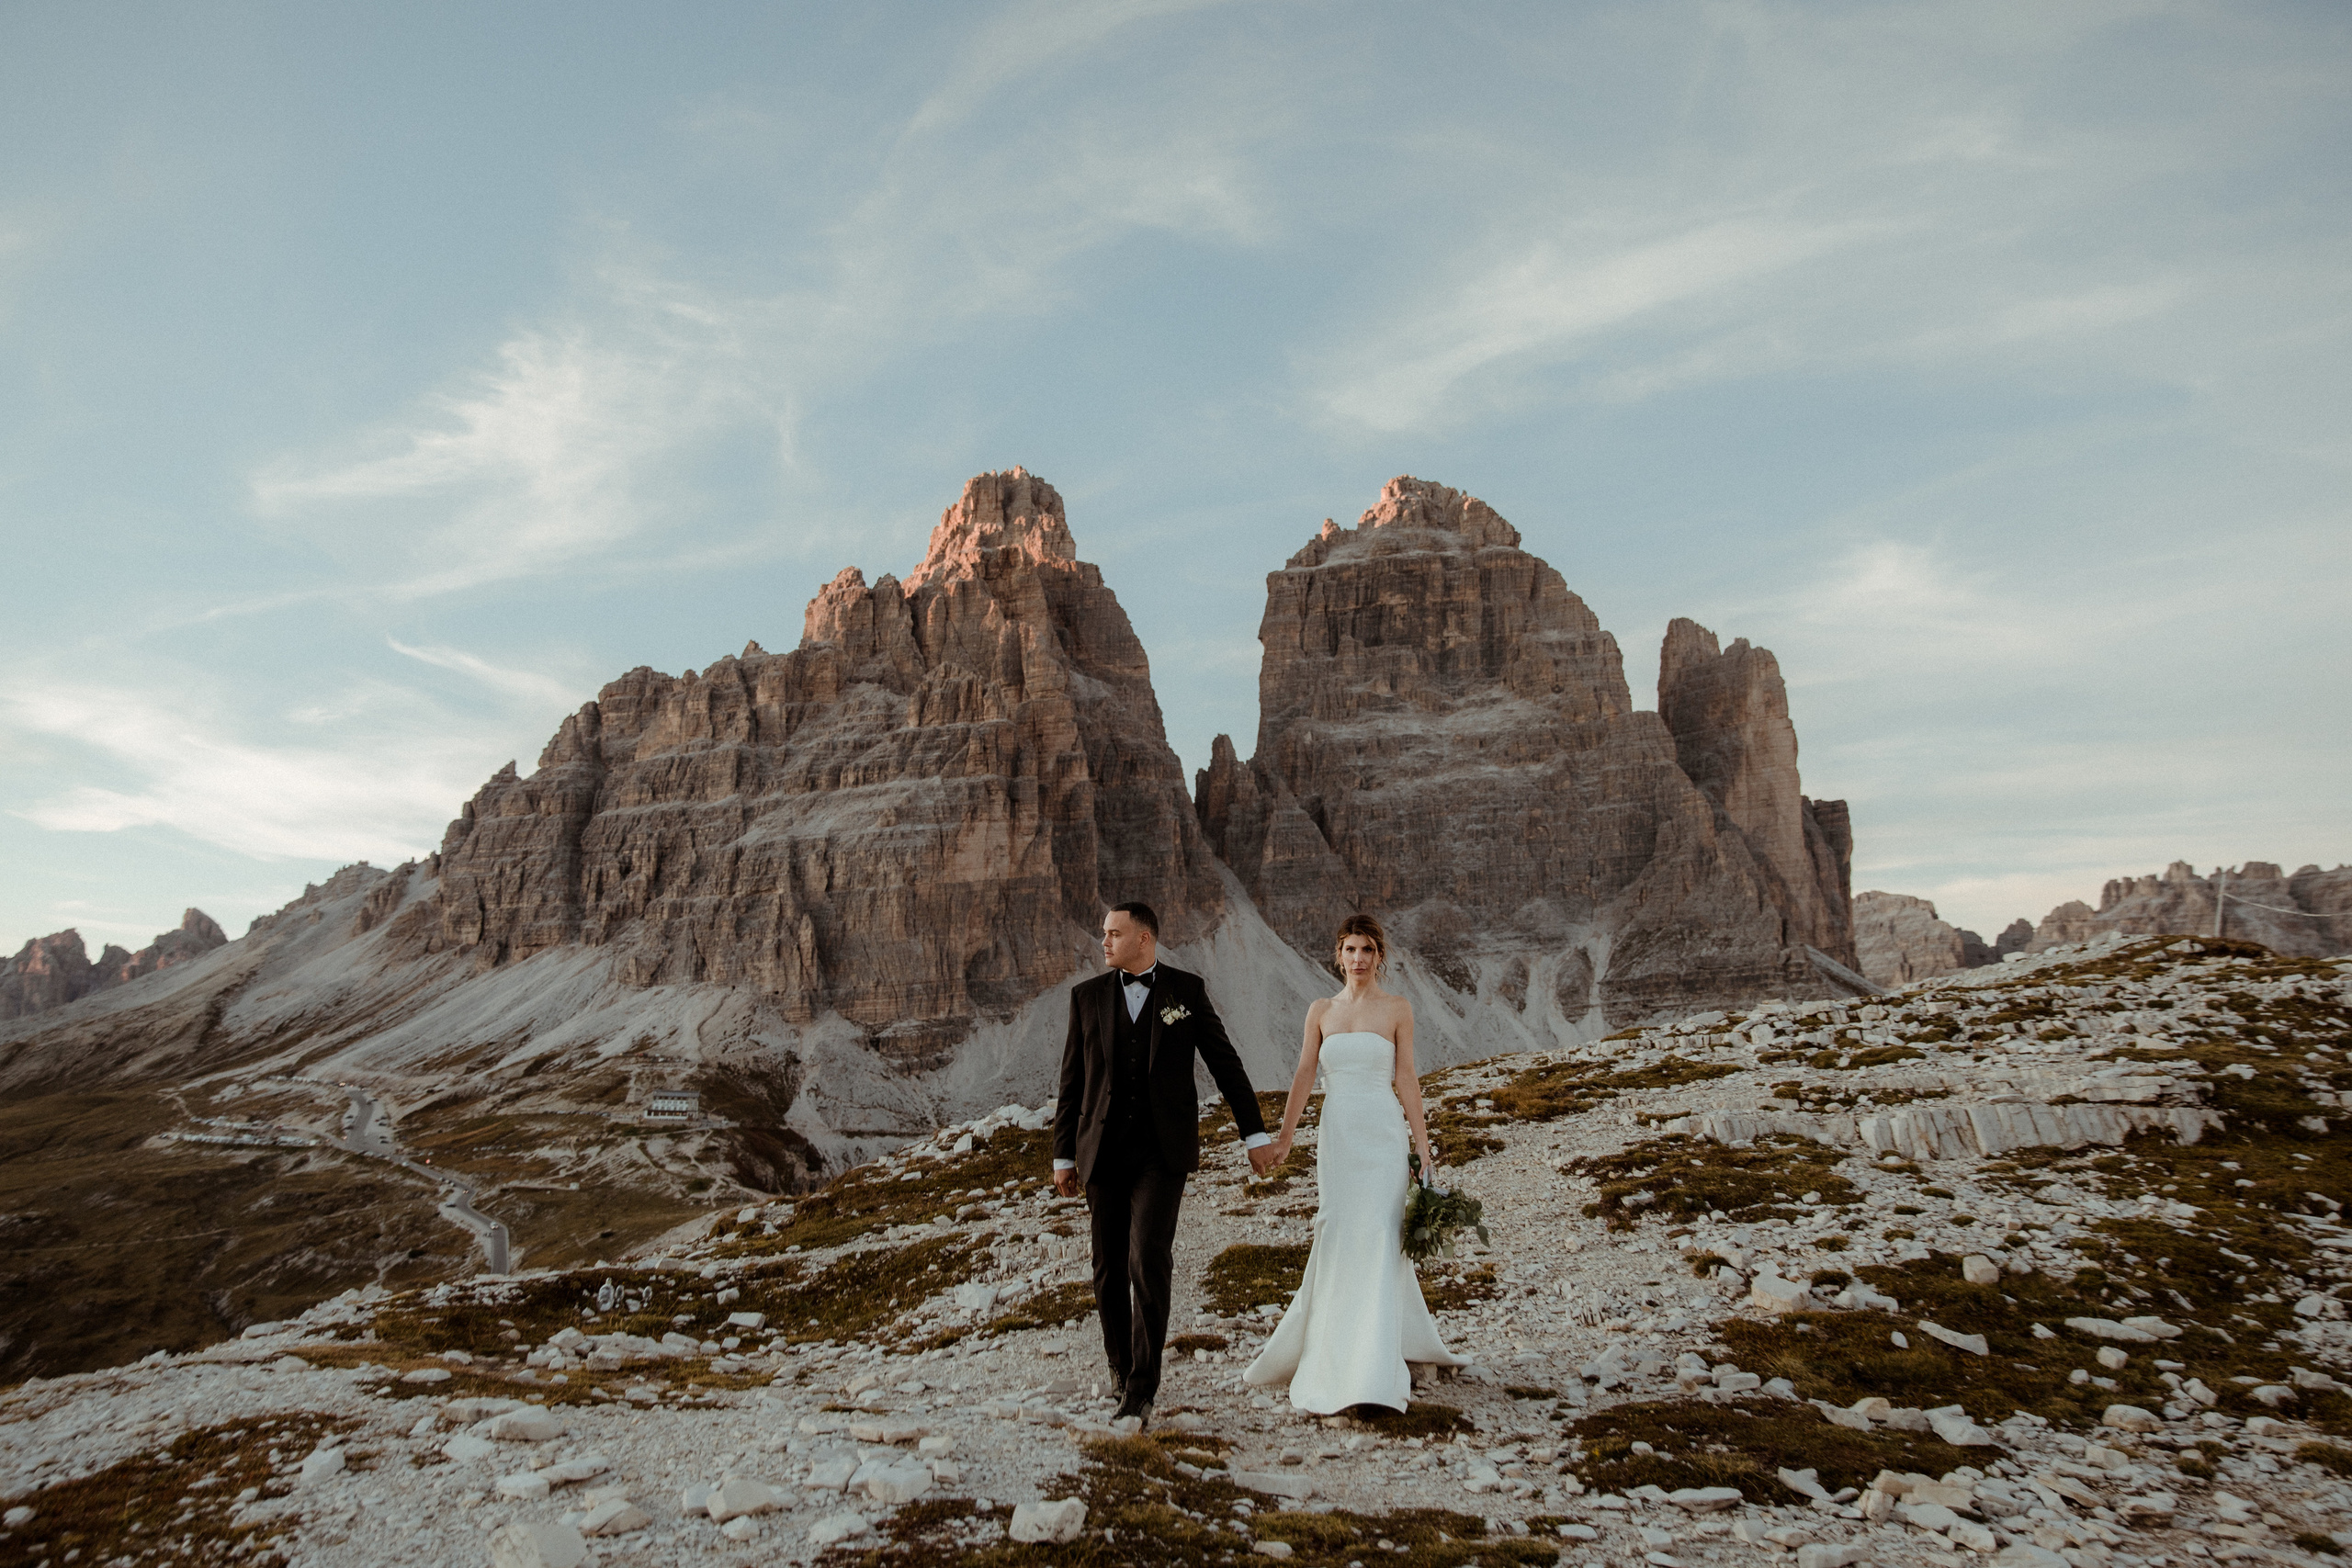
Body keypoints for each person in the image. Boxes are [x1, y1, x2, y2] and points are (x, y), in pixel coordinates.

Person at [1052, 901, 1280, 1427]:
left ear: (1144, 939)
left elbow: (1225, 1064)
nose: (1104, 942)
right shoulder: (1085, 997)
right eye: (1104, 933)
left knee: (1148, 1260)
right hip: (1101, 1152)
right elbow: (1071, 1082)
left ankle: (1142, 1388)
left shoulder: (1186, 991)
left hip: (1162, 1154)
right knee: (1107, 1267)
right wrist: (1063, 1155)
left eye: (1114, 933)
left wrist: (1254, 1135)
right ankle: (1118, 1365)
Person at [1243, 913, 1464, 1413]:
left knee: (1383, 1232)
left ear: (1379, 956)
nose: (1359, 959)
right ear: (1338, 955)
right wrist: (1285, 1138)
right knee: (1339, 1228)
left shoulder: (1398, 1008)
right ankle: (1336, 1349)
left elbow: (1406, 1077)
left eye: (1367, 950)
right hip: (1338, 1136)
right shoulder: (1321, 1010)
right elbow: (1304, 1072)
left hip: (1382, 1134)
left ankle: (1377, 1359)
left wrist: (1423, 1148)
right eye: (1350, 949)